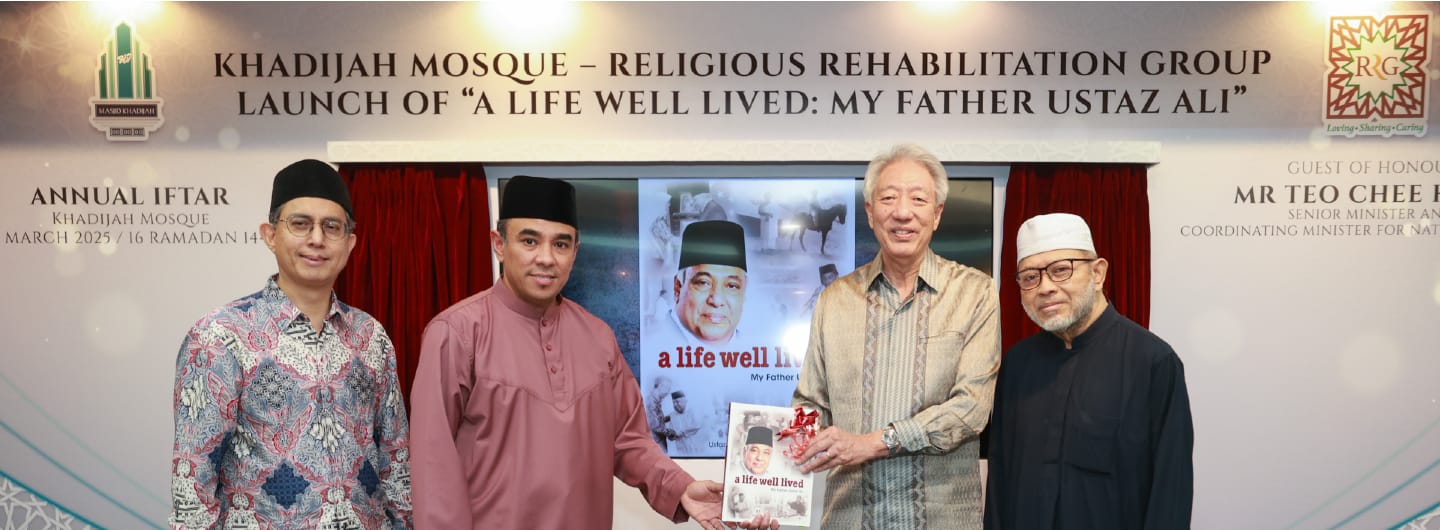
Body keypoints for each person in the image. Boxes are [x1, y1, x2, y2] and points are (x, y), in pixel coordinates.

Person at [408, 175, 736, 530]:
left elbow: (628, 441)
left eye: (561, 244)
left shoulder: (597, 337)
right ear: (499, 244)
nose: (546, 258)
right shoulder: (456, 334)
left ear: (575, 251)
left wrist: (681, 486)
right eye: (529, 240)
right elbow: (433, 468)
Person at [169, 159, 411, 529]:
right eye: (300, 224)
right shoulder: (220, 337)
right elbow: (193, 478)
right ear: (270, 235)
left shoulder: (371, 337)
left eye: (332, 227)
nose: (317, 239)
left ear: (350, 244)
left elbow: (395, 462)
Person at [791, 143, 1001, 529]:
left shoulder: (975, 293)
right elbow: (809, 406)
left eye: (918, 199)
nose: (902, 212)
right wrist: (764, 482)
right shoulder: (835, 300)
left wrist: (872, 443)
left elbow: (971, 409)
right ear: (870, 213)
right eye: (888, 198)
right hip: (851, 518)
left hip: (942, 520)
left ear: (936, 214)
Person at [983, 213, 1194, 530]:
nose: (1045, 288)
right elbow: (1001, 478)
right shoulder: (1018, 364)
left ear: (1098, 273)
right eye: (1030, 277)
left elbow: (1170, 488)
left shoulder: (1152, 362)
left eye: (1060, 270)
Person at [661, 220, 748, 348]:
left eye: (732, 286)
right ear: (678, 288)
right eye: (703, 283)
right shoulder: (652, 344)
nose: (717, 301)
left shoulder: (755, 350)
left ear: (744, 292)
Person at [665, 390, 707, 456]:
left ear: (685, 401)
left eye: (677, 402)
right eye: (673, 403)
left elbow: (697, 425)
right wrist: (671, 435)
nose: (675, 405)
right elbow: (670, 431)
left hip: (697, 448)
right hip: (682, 450)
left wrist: (681, 433)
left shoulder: (693, 411)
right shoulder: (672, 416)